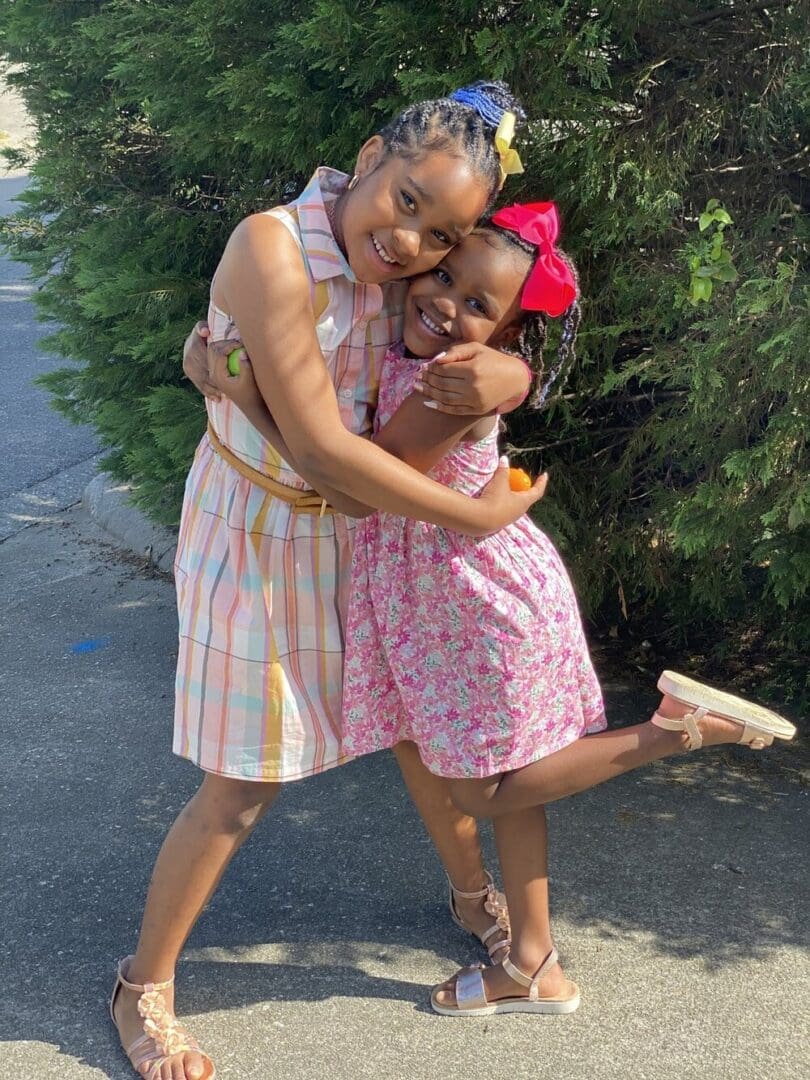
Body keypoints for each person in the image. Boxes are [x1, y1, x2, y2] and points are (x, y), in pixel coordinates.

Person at [110, 82, 545, 1080]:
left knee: (421, 733)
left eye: (442, 232)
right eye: (405, 203)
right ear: (367, 157)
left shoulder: (408, 271)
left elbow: (511, 313)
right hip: (261, 535)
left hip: (369, 544)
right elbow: (327, 461)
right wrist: (477, 516)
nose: (414, 246)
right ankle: (145, 985)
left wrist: (518, 379)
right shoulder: (274, 248)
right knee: (244, 781)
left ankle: (476, 904)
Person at [330, 201, 796, 1016]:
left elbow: (368, 481)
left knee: (484, 791)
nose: (446, 301)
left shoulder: (452, 378)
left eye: (478, 304)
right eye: (444, 275)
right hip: (442, 600)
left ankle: (671, 730)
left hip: (469, 605)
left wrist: (247, 400)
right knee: (514, 778)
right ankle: (533, 963)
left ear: (507, 333)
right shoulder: (418, 348)